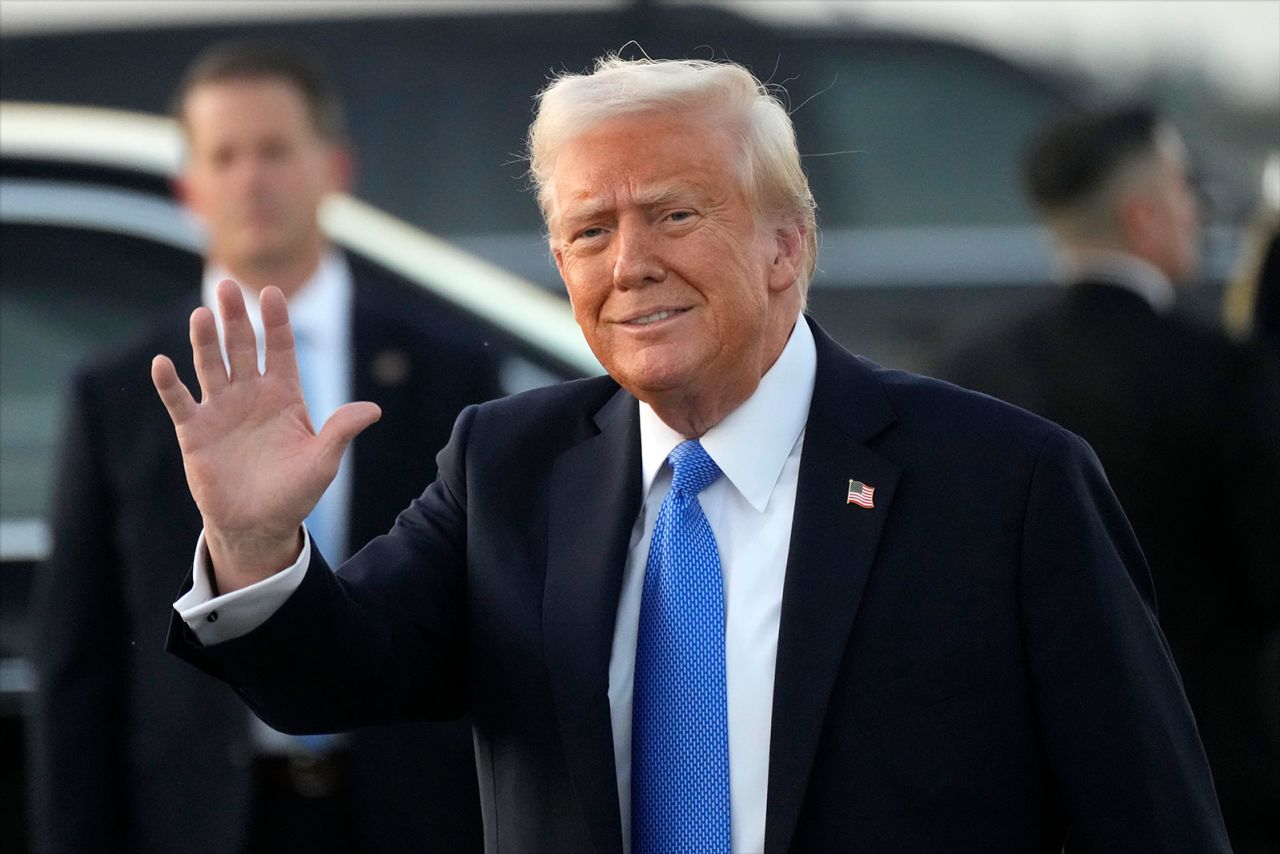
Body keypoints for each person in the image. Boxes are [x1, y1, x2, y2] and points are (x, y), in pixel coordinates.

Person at [156, 57, 1230, 852]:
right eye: (588, 231)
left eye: (673, 212)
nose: (629, 264)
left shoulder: (1005, 482)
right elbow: (330, 674)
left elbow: (1146, 810)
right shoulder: (509, 465)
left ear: (784, 244)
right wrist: (253, 541)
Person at [28, 41, 496, 854]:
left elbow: (486, 615)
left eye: (276, 150)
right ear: (188, 187)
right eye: (226, 155)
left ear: (335, 167)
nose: (252, 178)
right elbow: (78, 654)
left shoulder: (447, 366)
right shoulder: (120, 390)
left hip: (410, 809)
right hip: (202, 817)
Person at [938, 105, 1280, 852]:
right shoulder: (1222, 373)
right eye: (1185, 190)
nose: (1198, 210)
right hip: (1214, 783)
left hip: (1022, 793)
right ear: (1144, 215)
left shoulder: (970, 371)